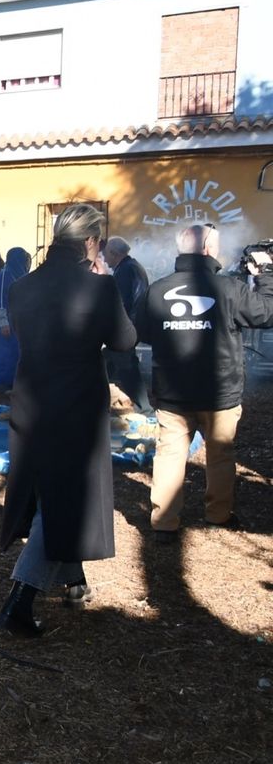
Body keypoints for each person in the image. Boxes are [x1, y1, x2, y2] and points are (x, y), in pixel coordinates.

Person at [0, 205, 136, 637]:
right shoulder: (98, 288)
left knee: (50, 494)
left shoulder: (21, 288)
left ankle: (74, 582)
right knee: (65, 504)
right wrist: (106, 287)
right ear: (91, 242)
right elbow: (125, 341)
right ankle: (19, 601)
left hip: (30, 402)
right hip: (75, 409)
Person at [136, 223, 273, 541]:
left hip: (172, 393)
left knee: (169, 455)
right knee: (220, 454)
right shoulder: (228, 288)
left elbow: (139, 331)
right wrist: (266, 275)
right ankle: (218, 516)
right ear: (208, 250)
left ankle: (164, 524)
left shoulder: (157, 289)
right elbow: (267, 313)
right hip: (219, 393)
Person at [101, 236, 150, 410]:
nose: (104, 259)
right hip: (132, 326)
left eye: (106, 254)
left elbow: (120, 304)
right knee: (109, 363)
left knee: (126, 367)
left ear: (114, 254)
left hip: (127, 328)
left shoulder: (125, 271)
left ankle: (144, 408)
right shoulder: (132, 267)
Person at [0, 247, 31, 390]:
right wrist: (3, 322)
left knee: (14, 353)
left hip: (15, 322)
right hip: (5, 323)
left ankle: (12, 381)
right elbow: (0, 300)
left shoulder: (16, 276)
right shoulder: (5, 275)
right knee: (4, 353)